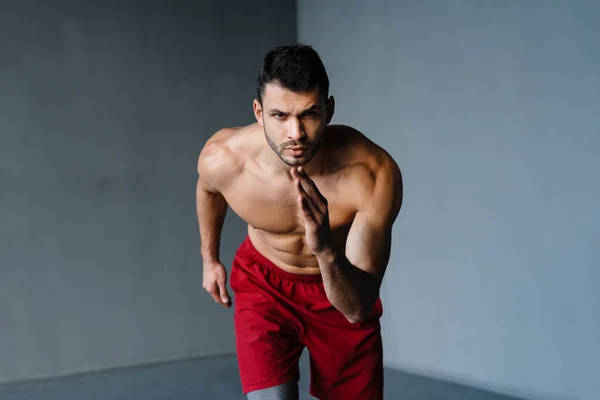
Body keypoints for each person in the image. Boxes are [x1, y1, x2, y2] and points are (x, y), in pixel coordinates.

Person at [195, 44, 402, 400]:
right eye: (279, 116)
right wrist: (209, 259)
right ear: (258, 112)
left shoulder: (372, 174)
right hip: (264, 283)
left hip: (340, 288)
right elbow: (208, 191)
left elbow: (357, 309)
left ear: (329, 110)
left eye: (309, 114)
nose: (295, 133)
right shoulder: (224, 158)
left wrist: (324, 248)